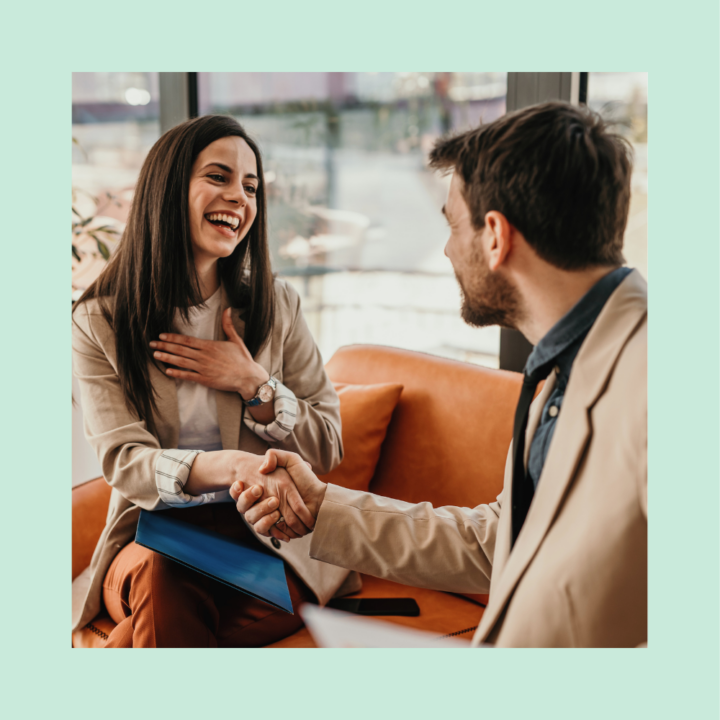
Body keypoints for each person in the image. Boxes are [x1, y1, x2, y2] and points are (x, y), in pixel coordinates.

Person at [230, 102, 648, 648]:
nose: (448, 249)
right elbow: (495, 544)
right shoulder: (566, 365)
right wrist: (321, 507)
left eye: (452, 224)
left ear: (495, 236)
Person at [71, 115, 360, 648]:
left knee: (162, 621)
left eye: (251, 187)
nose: (240, 198)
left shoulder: (279, 307)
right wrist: (231, 465)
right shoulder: (100, 321)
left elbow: (328, 447)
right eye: (219, 177)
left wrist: (255, 385)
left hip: (264, 540)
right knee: (166, 574)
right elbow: (123, 461)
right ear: (168, 189)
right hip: (152, 536)